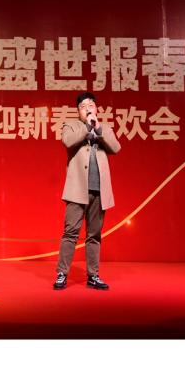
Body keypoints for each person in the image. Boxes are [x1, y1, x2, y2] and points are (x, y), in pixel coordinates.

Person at [54, 90, 121, 291]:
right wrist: (86, 127)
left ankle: (93, 276)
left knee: (94, 235)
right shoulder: (71, 126)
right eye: (83, 107)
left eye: (91, 105)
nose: (87, 109)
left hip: (99, 191)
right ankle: (62, 274)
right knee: (70, 233)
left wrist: (97, 128)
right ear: (78, 111)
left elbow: (116, 148)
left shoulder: (104, 128)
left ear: (96, 109)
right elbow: (68, 141)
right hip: (76, 190)